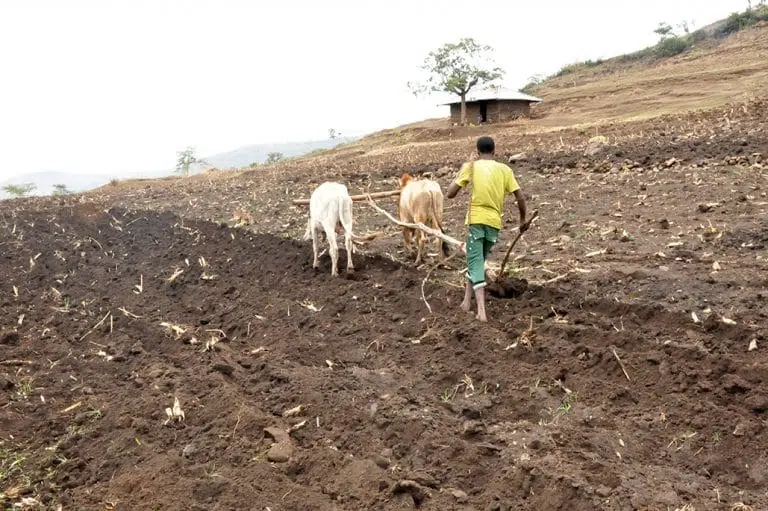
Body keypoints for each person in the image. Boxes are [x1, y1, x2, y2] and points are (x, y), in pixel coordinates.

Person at [446, 136, 527, 322]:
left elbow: (450, 194)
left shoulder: (471, 167)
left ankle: (482, 312)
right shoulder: (505, 169)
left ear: (477, 151)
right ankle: (466, 302)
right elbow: (520, 197)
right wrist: (522, 220)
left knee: (475, 261)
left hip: (476, 220)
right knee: (476, 261)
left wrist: (465, 166)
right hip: (494, 223)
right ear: (494, 151)